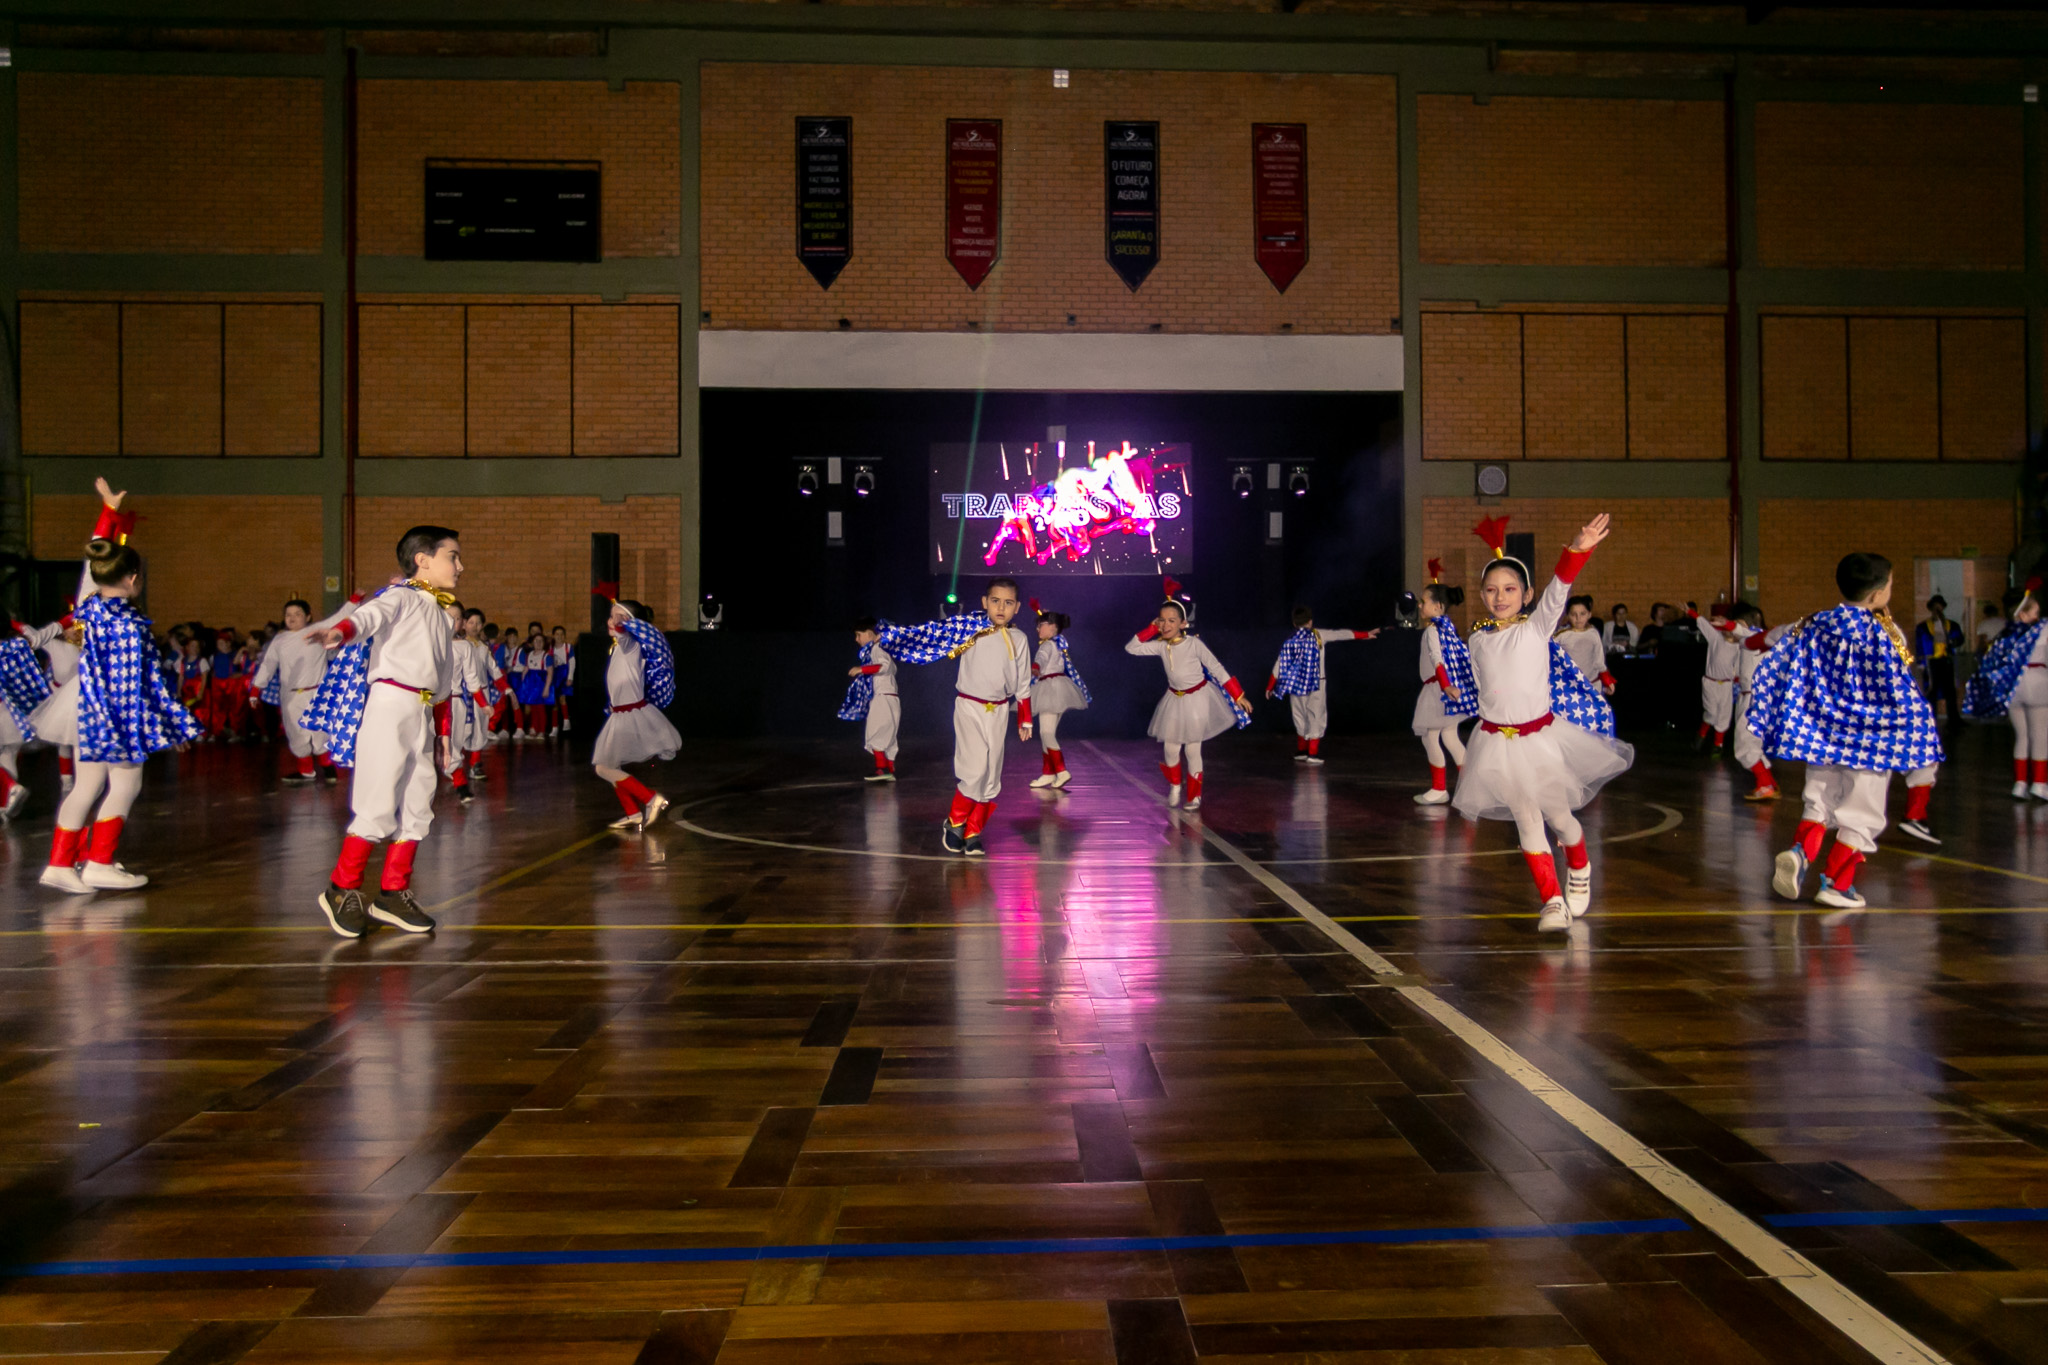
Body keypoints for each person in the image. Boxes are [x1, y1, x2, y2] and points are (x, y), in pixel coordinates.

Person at [1453, 514, 1633, 933]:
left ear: (1527, 594)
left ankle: (1580, 864)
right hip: (1498, 745)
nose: (1500, 597)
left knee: (1559, 817)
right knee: (1527, 823)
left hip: (1540, 742)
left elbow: (1559, 591)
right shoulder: (1476, 640)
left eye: (1510, 589)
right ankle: (1552, 901)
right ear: (1481, 594)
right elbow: (1485, 690)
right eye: (1492, 590)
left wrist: (1578, 548)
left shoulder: (1536, 629)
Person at [1750, 552, 1944, 911]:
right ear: (1877, 595)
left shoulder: (1816, 623)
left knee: (1819, 801)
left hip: (1824, 737)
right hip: (1870, 741)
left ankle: (1800, 852)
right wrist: (1917, 730)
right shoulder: (1885, 631)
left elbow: (1781, 662)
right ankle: (1837, 884)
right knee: (1861, 813)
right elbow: (1900, 685)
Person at [42, 479, 204, 893]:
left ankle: (60, 864)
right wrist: (177, 724)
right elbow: (146, 683)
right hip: (115, 711)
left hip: (84, 706)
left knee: (87, 785)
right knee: (127, 784)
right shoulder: (132, 626)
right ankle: (98, 862)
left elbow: (94, 558)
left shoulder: (89, 605)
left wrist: (109, 516)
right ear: (134, 579)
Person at [305, 525, 464, 938]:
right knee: (377, 802)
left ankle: (393, 892)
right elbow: (368, 616)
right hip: (391, 705)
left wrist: (443, 735)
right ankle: (341, 888)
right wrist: (339, 632)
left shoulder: (440, 615)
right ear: (422, 560)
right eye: (453, 556)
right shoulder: (402, 597)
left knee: (417, 805)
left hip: (422, 710)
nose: (460, 566)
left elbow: (443, 683)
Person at [875, 578, 1035, 854]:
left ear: (1017, 607)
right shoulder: (968, 629)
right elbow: (932, 635)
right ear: (985, 603)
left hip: (997, 712)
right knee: (973, 769)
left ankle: (974, 830)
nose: (1001, 607)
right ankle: (955, 821)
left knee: (991, 776)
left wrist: (1025, 717)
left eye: (1008, 603)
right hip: (969, 707)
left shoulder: (1019, 639)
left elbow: (1022, 681)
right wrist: (893, 637)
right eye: (995, 601)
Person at [1126, 579, 1251, 812]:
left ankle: (1194, 796)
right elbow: (1131, 648)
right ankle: (1175, 785)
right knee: (1171, 748)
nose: (1166, 625)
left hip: (1198, 698)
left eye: (1171, 621)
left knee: (1193, 748)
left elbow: (1216, 668)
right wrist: (1151, 629)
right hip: (1174, 699)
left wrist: (1238, 695)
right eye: (1162, 620)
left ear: (1183, 623)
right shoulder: (1161, 646)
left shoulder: (1194, 644)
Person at [594, 600, 680, 830]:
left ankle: (651, 798)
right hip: (620, 714)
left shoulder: (631, 644)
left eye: (619, 617)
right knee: (611, 765)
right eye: (611, 616)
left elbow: (629, 631)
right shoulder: (619, 648)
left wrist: (625, 625)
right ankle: (632, 813)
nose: (612, 621)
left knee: (603, 768)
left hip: (631, 715)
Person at [252, 596, 356, 786]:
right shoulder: (280, 640)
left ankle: (328, 767)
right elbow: (268, 664)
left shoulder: (317, 632)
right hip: (291, 694)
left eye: (297, 614)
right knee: (296, 732)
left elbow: (340, 617)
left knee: (319, 731)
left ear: (308, 616)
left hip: (317, 693)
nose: (291, 618)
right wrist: (256, 687)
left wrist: (355, 600)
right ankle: (306, 770)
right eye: (288, 615)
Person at [1965, 584, 2046, 799]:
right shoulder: (2043, 630)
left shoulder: (2004, 634)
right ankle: (2039, 784)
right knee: (2040, 736)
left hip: (2012, 687)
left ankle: (2019, 784)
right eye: (2036, 611)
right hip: (2038, 684)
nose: (2039, 615)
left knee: (2022, 736)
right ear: (2025, 613)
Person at [1266, 606, 1376, 764]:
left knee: (1300, 715)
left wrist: (1270, 687)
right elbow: (1341, 634)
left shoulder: (1291, 641)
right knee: (1316, 715)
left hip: (1297, 684)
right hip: (1317, 683)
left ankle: (1302, 751)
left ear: (1294, 623)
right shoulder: (1319, 635)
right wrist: (1365, 634)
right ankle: (1312, 753)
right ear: (1310, 621)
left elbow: (1278, 666)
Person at [1412, 575, 1476, 806]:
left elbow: (1438, 659)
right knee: (1449, 736)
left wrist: (1445, 684)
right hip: (1445, 688)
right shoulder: (1448, 626)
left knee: (1430, 738)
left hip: (1438, 690)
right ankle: (1471, 787)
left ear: (1437, 606)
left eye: (1424, 601)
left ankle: (1439, 788)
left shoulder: (1432, 630)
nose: (1420, 605)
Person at [1028, 604, 1090, 790]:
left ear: (1053, 627)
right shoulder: (1057, 644)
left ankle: (1061, 771)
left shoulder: (1048, 644)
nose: (1038, 628)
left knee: (1046, 733)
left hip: (1050, 688)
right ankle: (1048, 773)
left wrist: (1034, 669)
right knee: (1047, 733)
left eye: (1042, 625)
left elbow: (1041, 659)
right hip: (1059, 689)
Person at [1729, 605, 1780, 801]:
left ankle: (1765, 783)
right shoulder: (1756, 640)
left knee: (1744, 745)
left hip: (1752, 699)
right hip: (1755, 698)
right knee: (1752, 744)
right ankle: (1769, 783)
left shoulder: (1754, 639)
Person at [840, 616, 900, 783]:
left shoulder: (877, 648)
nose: (857, 639)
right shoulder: (881, 648)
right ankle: (888, 769)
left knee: (876, 732)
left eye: (859, 635)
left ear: (869, 633)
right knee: (886, 735)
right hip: (889, 698)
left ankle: (882, 770)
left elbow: (883, 667)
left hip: (883, 697)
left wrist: (861, 669)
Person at [0, 624, 51, 820]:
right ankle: (7, 805)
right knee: (7, 755)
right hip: (13, 713)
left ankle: (11, 789)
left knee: (6, 756)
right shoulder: (17, 646)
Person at [1915, 596, 1964, 723]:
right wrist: (1921, 663)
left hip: (1947, 660)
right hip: (1931, 662)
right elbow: (1919, 645)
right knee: (1932, 689)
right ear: (1931, 609)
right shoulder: (1923, 627)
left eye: (1939, 606)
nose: (1937, 609)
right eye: (1934, 607)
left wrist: (1952, 642)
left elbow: (1960, 639)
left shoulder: (1952, 625)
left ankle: (1954, 719)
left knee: (1950, 690)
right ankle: (1932, 718)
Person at [1555, 596, 1614, 696]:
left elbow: (1599, 661)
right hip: (1569, 687)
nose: (1578, 618)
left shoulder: (1593, 633)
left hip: (1593, 685)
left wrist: (1607, 681)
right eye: (1574, 614)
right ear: (1567, 615)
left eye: (1583, 614)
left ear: (1589, 614)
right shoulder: (1560, 636)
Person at [550, 624, 575, 736]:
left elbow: (572, 662)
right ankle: (554, 727)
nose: (559, 636)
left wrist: (570, 677)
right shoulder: (550, 648)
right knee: (554, 701)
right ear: (553, 636)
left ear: (564, 636)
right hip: (554, 675)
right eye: (557, 634)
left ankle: (566, 721)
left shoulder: (568, 647)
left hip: (564, 673)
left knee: (562, 698)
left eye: (561, 634)